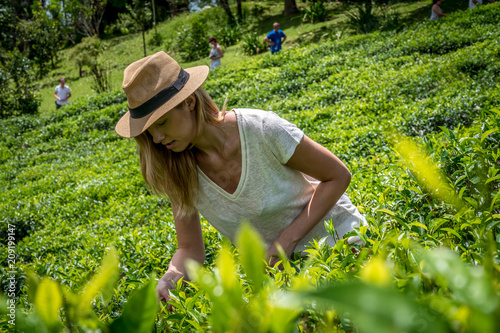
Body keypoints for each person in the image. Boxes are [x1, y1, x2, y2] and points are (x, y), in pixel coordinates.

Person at [114, 51, 366, 306]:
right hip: (284, 279)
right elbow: (189, 249)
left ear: (189, 102)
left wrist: (286, 241)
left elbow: (337, 176)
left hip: (343, 246)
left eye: (162, 122)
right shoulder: (178, 169)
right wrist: (170, 278)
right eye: (149, 131)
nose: (156, 138)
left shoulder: (262, 129)